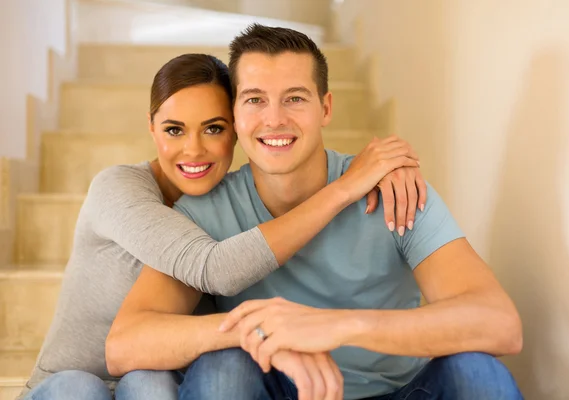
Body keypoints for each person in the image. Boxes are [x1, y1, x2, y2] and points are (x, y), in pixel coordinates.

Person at [108, 24, 524, 400]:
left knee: (477, 371)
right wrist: (261, 329)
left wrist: (341, 325)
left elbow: (499, 324)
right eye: (255, 100)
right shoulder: (205, 211)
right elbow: (126, 343)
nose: (274, 119)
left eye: (294, 98)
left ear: (325, 108)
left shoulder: (397, 189)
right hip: (280, 389)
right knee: (222, 369)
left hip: (403, 392)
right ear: (235, 114)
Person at [19, 51, 425, 400]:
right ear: (151, 127)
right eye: (174, 129)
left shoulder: (227, 208)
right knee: (80, 387)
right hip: (68, 385)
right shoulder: (118, 187)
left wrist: (382, 169)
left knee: (155, 383)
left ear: (236, 128)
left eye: (213, 128)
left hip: (157, 376)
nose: (193, 149)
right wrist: (345, 188)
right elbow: (214, 268)